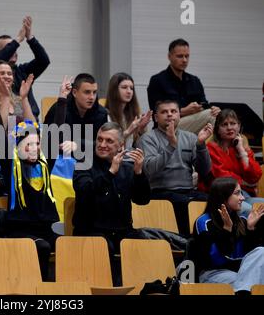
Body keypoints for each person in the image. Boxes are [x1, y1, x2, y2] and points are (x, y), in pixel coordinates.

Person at [72, 122, 151, 254]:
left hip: (122, 231)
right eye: (100, 139)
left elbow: (142, 200)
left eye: (109, 141)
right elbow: (84, 192)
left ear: (121, 146)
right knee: (105, 246)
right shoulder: (84, 164)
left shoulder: (127, 168)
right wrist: (110, 173)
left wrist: (138, 174)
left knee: (143, 244)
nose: (102, 145)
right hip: (90, 231)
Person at [138, 100, 213, 236]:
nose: (169, 115)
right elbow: (149, 169)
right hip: (160, 192)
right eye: (164, 112)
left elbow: (204, 171)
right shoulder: (147, 138)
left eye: (173, 111)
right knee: (184, 203)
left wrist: (201, 145)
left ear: (179, 115)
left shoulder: (190, 137)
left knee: (212, 200)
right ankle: (185, 241)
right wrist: (171, 146)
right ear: (156, 117)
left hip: (188, 191)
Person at [1, 120, 61, 280]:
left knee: (67, 245)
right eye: (28, 144)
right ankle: (42, 288)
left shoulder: (44, 165)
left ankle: (64, 288)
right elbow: (0, 136)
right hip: (19, 230)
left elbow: (55, 134)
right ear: (18, 147)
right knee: (43, 246)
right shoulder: (11, 166)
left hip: (44, 229)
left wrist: (63, 98)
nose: (34, 149)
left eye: (37, 144)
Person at [193, 177, 264, 294]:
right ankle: (243, 290)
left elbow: (250, 258)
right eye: (237, 193)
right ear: (223, 197)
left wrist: (251, 229)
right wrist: (226, 231)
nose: (242, 198)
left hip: (241, 273)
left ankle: (242, 290)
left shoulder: (242, 221)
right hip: (213, 274)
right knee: (254, 281)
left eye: (241, 193)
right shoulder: (204, 222)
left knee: (261, 251)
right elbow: (214, 260)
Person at [147, 38, 220, 134]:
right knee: (211, 116)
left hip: (191, 125)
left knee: (217, 114)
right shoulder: (157, 80)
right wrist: (183, 111)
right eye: (180, 56)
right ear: (169, 56)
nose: (184, 60)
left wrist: (213, 109)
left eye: (187, 56)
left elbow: (204, 104)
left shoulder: (194, 81)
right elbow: (156, 114)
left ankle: (214, 147)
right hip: (167, 127)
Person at [0, 16, 50, 118]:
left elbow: (43, 60)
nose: (14, 49)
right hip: (5, 122)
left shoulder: (22, 71)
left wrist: (30, 38)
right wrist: (18, 40)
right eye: (10, 46)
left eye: (15, 47)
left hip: (30, 121)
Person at [201, 109, 264, 214]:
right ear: (218, 129)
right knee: (248, 210)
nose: (229, 127)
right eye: (224, 124)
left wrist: (242, 152)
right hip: (223, 196)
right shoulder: (211, 148)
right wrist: (245, 183)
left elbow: (255, 176)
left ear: (238, 126)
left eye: (233, 123)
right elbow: (222, 178)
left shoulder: (242, 146)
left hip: (244, 195)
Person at [44, 73, 108, 153]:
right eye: (87, 92)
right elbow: (47, 141)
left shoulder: (101, 114)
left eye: (94, 92)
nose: (92, 97)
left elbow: (103, 144)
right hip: (61, 157)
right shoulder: (59, 108)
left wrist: (77, 144)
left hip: (90, 158)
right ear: (74, 93)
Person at [105, 72, 152, 148]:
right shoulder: (106, 115)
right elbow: (107, 144)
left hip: (130, 158)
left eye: (131, 88)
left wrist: (141, 130)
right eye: (124, 87)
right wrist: (129, 131)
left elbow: (140, 148)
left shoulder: (134, 114)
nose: (129, 91)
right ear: (114, 90)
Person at [0, 60, 36, 129]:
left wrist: (24, 98)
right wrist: (5, 97)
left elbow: (33, 128)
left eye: (9, 74)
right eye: (2, 73)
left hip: (21, 138)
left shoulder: (18, 99)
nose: (6, 76)